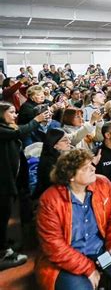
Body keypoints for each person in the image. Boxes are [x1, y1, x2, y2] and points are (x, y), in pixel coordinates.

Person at [35, 149, 111, 290]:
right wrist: (89, 269)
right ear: (70, 176)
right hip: (68, 256)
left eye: (91, 164)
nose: (92, 168)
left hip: (99, 250)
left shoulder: (103, 183)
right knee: (81, 288)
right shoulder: (50, 200)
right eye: (85, 168)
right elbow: (53, 245)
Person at [0, 102, 49, 270]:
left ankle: (4, 243)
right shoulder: (2, 130)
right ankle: (2, 254)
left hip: (12, 178)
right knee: (2, 214)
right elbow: (20, 131)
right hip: (3, 181)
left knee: (5, 214)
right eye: (11, 112)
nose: (15, 115)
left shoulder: (8, 127)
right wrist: (37, 120)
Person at [34, 128, 72, 199]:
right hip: (49, 199)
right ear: (54, 144)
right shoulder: (50, 163)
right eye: (65, 140)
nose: (69, 142)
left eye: (68, 139)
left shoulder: (61, 157)